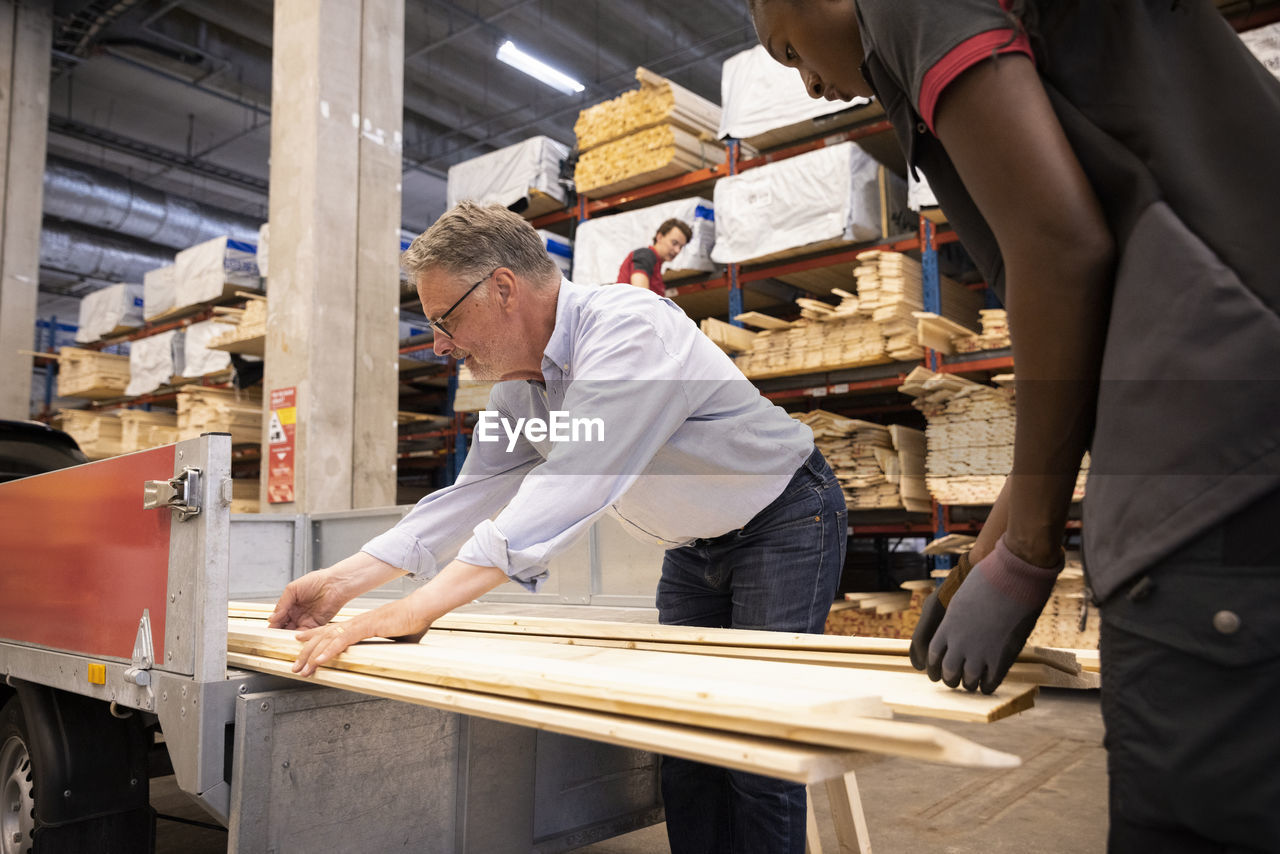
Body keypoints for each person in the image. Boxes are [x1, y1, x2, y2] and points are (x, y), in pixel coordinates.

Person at [749, 1, 1280, 850]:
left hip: (1223, 440)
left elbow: (1061, 245)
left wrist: (1030, 551)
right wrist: (999, 534)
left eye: (786, 50)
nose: (809, 82)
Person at [269, 201, 846, 854]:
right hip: (694, 549)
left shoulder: (629, 331)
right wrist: (344, 583)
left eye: (443, 320)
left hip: (783, 519)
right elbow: (475, 493)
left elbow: (576, 480)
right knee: (687, 743)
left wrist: (413, 609)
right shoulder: (526, 387)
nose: (439, 345)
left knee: (757, 746)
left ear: (503, 288)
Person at [616, 217, 692, 296]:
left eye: (681, 247)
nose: (677, 250)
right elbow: (640, 295)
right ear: (659, 237)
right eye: (674, 243)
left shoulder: (656, 266)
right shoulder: (646, 255)